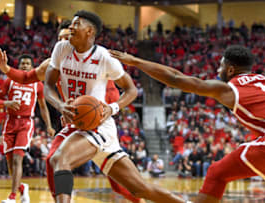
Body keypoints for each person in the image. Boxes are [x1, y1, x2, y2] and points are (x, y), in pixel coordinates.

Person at [109, 45, 265, 203]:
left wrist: (135, 61)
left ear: (230, 69)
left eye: (221, 65)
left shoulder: (227, 89)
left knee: (217, 173)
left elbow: (176, 78)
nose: (218, 69)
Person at [0, 21, 145, 203]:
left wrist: (94, 112)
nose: (65, 40)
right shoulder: (52, 64)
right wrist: (5, 68)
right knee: (52, 159)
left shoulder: (94, 62)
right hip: (76, 124)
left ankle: (142, 199)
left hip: (98, 125)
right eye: (61, 38)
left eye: (67, 36)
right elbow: (26, 77)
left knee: (121, 185)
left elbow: (114, 95)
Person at [44, 10, 186, 203]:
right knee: (140, 189)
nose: (71, 27)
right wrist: (60, 105)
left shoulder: (105, 57)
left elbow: (131, 90)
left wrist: (112, 108)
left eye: (77, 24)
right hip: (78, 124)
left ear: (90, 31)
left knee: (60, 159)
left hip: (98, 125)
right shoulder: (61, 49)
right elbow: (48, 86)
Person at [0, 54, 55, 203]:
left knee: (17, 160)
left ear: (32, 67)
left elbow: (42, 107)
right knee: (10, 166)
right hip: (10, 122)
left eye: (28, 64)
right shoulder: (10, 81)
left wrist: (48, 126)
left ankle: (12, 197)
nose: (25, 66)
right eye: (22, 63)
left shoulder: (37, 84)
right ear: (19, 65)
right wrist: (7, 103)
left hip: (26, 123)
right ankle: (22, 188)